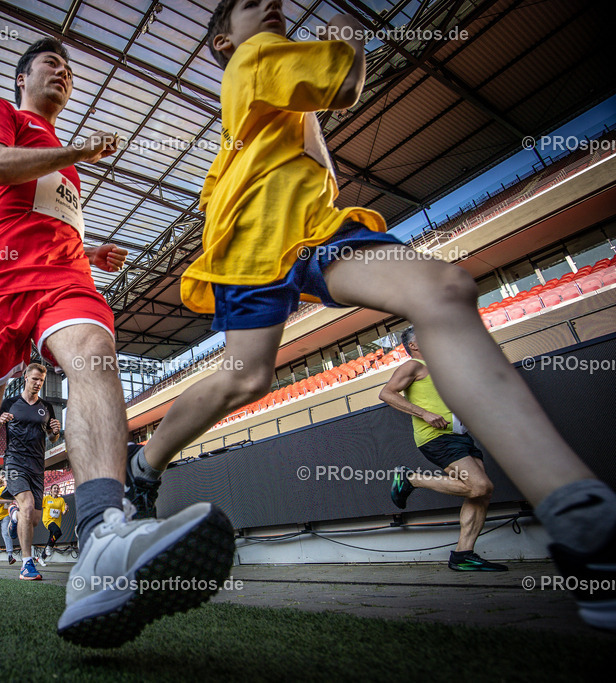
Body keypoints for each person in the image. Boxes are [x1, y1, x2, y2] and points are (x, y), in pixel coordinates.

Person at [124, 0, 616, 631]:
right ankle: (142, 467)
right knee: (249, 377)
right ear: (223, 40)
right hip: (253, 240)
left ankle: (577, 516)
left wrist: (313, 101)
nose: (269, 4)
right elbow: (347, 81)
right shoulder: (254, 56)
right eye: (249, 4)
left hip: (306, 230)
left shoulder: (272, 87)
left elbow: (322, 171)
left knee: (440, 290)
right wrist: (347, 30)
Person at [0, 36, 237, 645]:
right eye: (51, 64)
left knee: (95, 355)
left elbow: (48, 218)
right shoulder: (4, 114)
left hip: (63, 279)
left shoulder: (64, 160)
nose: (64, 72)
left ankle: (103, 535)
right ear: (24, 77)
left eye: (70, 69)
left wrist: (88, 248)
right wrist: (76, 149)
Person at [381, 327, 507, 571]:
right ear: (414, 345)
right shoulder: (413, 366)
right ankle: (411, 479)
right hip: (436, 437)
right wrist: (424, 413)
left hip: (460, 437)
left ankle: (463, 555)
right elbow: (386, 393)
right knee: (480, 486)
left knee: (481, 493)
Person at [0, 363, 61, 580]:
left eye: (41, 380)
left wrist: (55, 433)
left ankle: (14, 517)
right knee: (28, 505)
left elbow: (51, 436)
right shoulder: (10, 403)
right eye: (35, 379)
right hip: (14, 463)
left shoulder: (46, 407)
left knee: (34, 519)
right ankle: (26, 564)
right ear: (25, 379)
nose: (38, 383)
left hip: (37, 467)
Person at [39, 483, 68, 566]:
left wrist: (66, 509)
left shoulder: (61, 500)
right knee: (58, 532)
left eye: (57, 488)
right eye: (54, 488)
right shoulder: (46, 498)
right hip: (47, 520)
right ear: (51, 490)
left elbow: (63, 512)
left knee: (51, 539)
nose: (56, 490)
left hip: (57, 522)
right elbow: (39, 505)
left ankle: (42, 557)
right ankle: (49, 547)